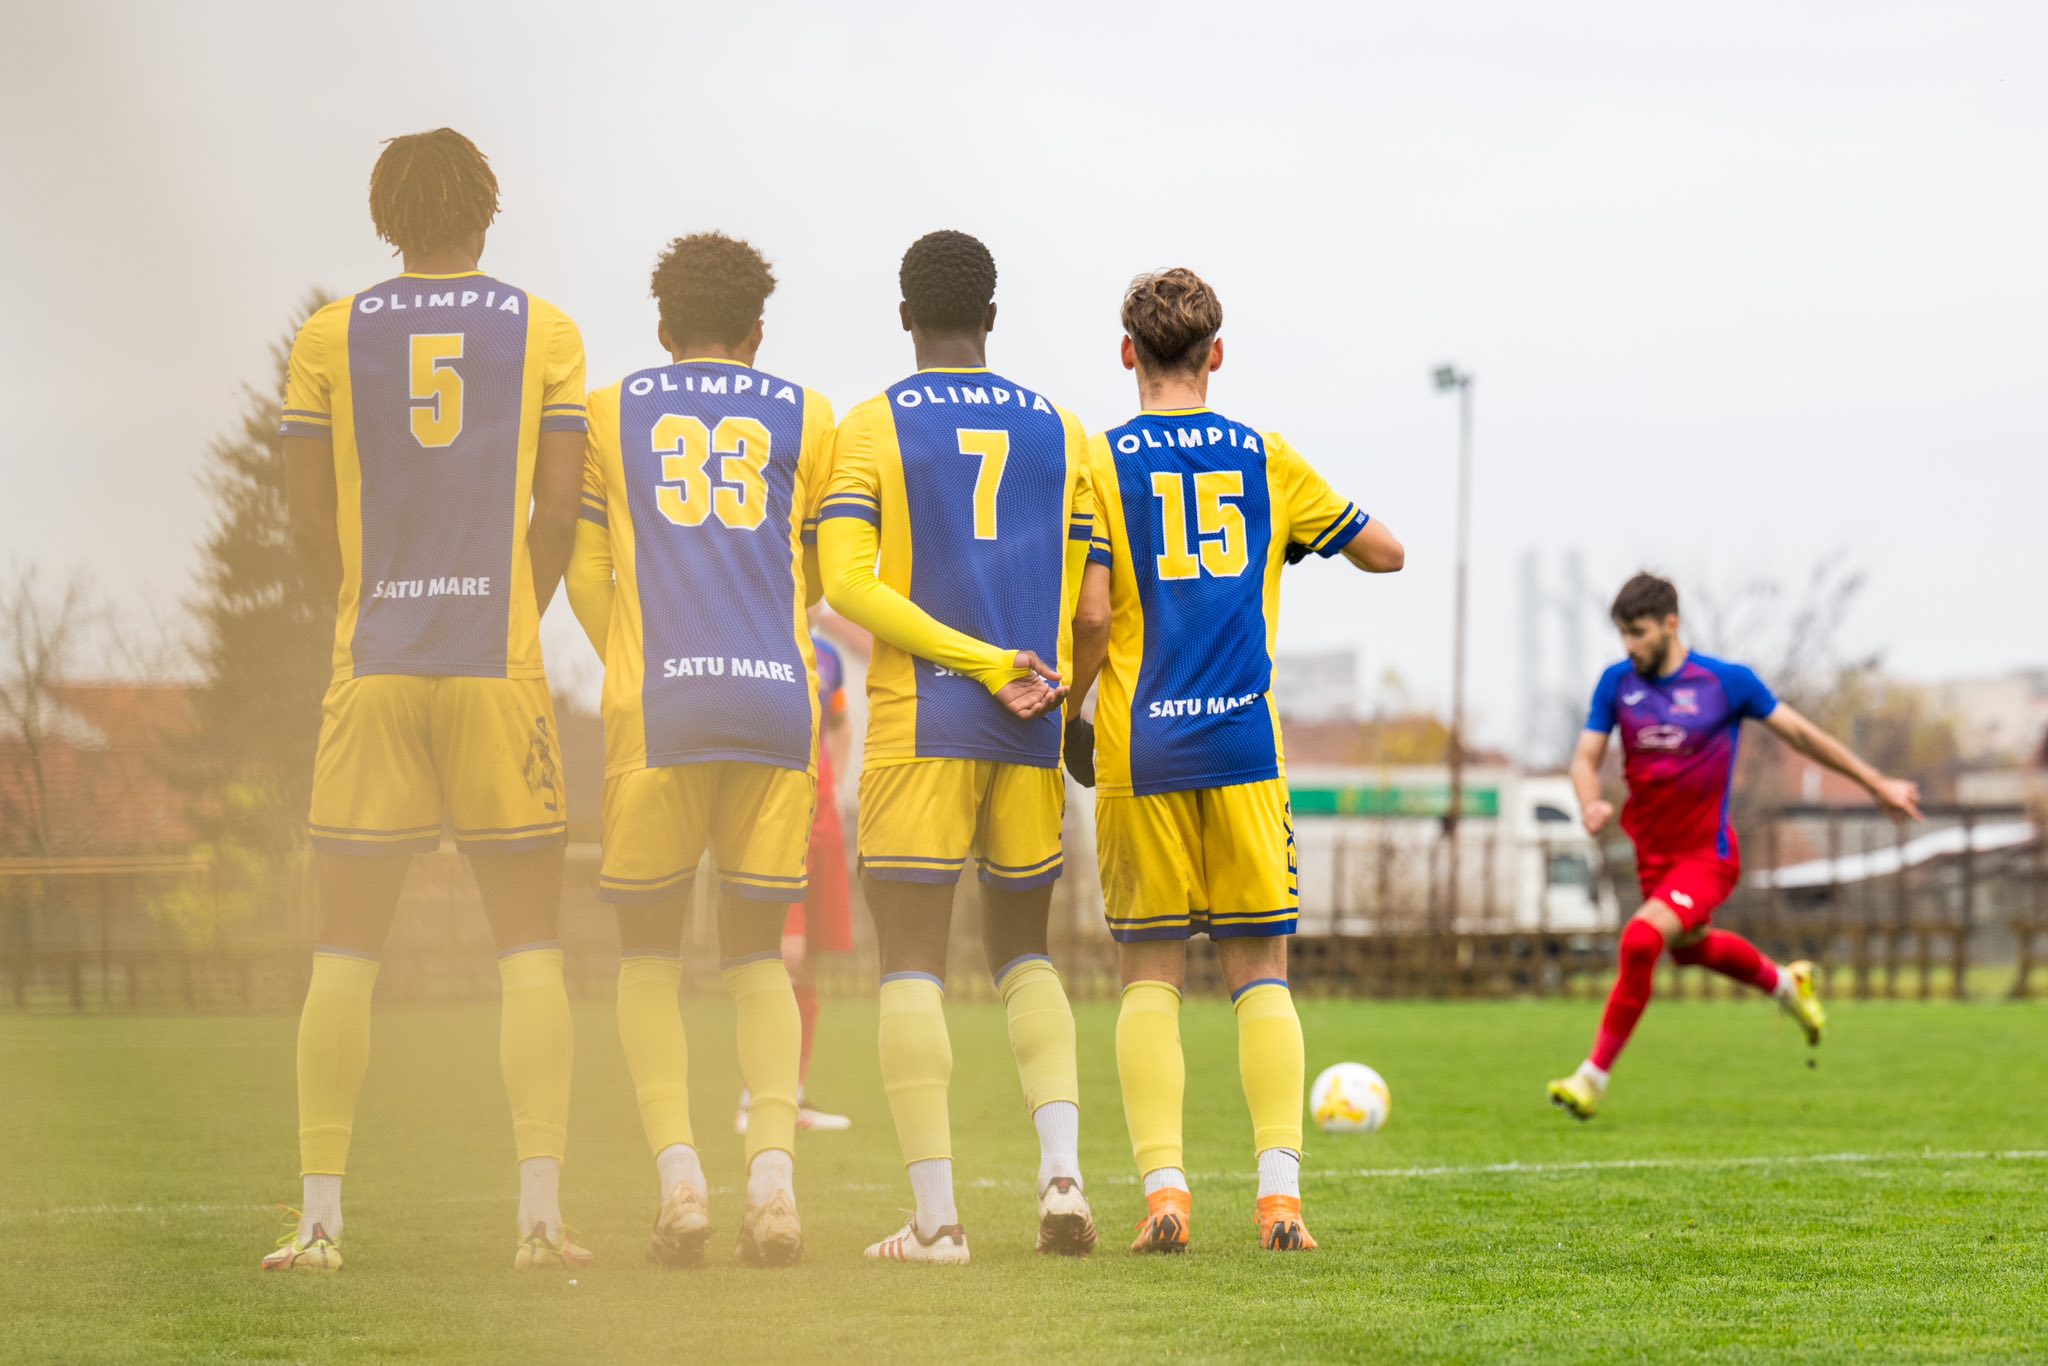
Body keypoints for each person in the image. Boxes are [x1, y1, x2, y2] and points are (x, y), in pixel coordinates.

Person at [266, 128, 588, 1272]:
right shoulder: (547, 329)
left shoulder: (325, 336)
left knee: (342, 952)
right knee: (530, 948)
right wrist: (507, 616)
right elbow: (559, 516)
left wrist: (366, 610)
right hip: (496, 666)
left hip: (375, 664)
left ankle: (319, 1223)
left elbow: (307, 521)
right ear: (487, 211)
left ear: (384, 217)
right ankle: (539, 1221)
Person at [1065, 267, 1405, 1254]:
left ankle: (1165, 1195)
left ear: (1127, 353)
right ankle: (1279, 1200)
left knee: (1148, 978)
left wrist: (1074, 709)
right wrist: (1293, 537)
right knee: (1261, 976)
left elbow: (1092, 613)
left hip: (1142, 747)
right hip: (1245, 748)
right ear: (1215, 354)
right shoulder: (1265, 456)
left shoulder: (1099, 460)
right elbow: (1386, 551)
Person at [819, 230, 1105, 1264]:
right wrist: (1064, 703)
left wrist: (978, 662)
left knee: (911, 961)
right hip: (1031, 727)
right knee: (1025, 951)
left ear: (905, 317)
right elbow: (1094, 612)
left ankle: (936, 1223)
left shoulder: (868, 425)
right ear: (991, 317)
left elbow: (845, 585)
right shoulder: (1062, 430)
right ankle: (1063, 1177)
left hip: (918, 724)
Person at [565, 232, 835, 1267]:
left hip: (659, 711)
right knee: (757, 957)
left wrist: (642, 667)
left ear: (662, 328)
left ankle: (680, 1183)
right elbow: (813, 570)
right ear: (757, 335)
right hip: (776, 706)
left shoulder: (606, 412)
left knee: (647, 958)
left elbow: (586, 575)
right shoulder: (807, 413)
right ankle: (772, 1186)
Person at [1547, 572, 1923, 1120]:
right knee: (1689, 948)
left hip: (1707, 857)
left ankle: (1591, 1079)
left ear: (1671, 624)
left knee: (1641, 940)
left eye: (1638, 633)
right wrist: (1589, 803)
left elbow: (1802, 735)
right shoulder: (1616, 684)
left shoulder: (1726, 683)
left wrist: (1876, 783)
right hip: (1653, 857)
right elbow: (1585, 759)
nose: (1629, 645)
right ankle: (1786, 984)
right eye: (1622, 634)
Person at [736, 631, 856, 1136]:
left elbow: (841, 725)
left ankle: (794, 1094)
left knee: (808, 962)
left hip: (821, 819)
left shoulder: (828, 657)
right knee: (783, 955)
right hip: (776, 814)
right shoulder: (757, 634)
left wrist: (835, 785)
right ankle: (756, 1098)